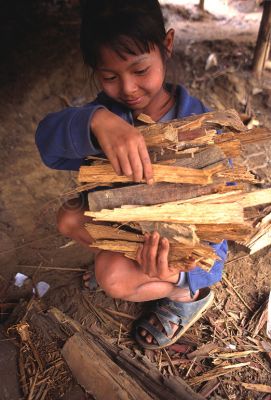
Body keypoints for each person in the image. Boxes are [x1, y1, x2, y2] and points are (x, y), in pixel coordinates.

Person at [35, 0, 227, 349]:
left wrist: (181, 269)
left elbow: (221, 227)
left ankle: (185, 296)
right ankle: (128, 257)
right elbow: (48, 145)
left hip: (181, 250)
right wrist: (94, 121)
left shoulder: (199, 127)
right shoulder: (107, 116)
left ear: (167, 46)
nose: (128, 89)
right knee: (68, 218)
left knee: (111, 275)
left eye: (140, 71)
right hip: (131, 226)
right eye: (110, 76)